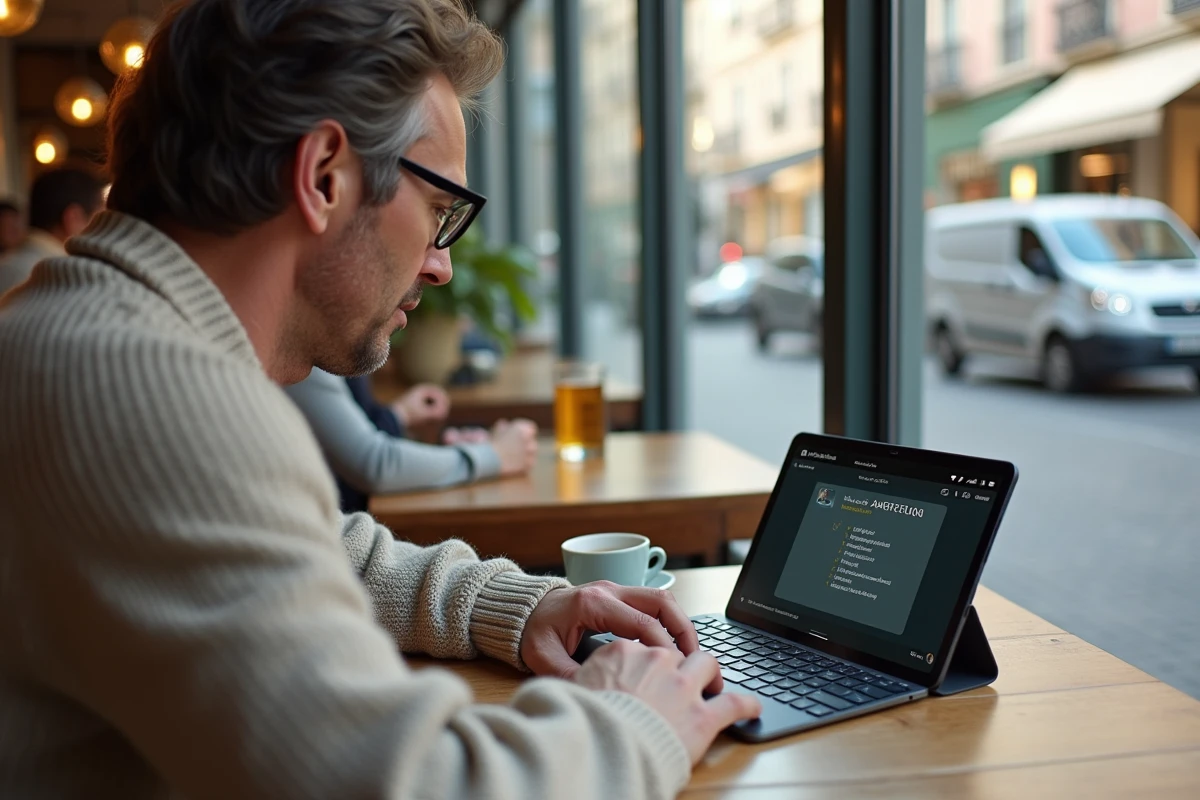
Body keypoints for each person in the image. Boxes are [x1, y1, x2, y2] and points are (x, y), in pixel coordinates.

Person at [0, 1, 759, 798]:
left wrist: (511, 604)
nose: (442, 266)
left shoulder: (75, 334)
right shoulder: (146, 394)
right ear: (324, 174)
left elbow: (307, 545)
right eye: (439, 210)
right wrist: (635, 722)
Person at [285, 366, 538, 512]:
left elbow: (350, 435)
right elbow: (373, 463)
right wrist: (494, 456)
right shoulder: (296, 348)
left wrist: (398, 416)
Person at [0, 168, 106, 295]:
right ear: (74, 218)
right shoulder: (59, 278)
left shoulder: (10, 265)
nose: (102, 230)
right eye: (98, 218)